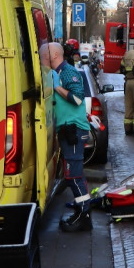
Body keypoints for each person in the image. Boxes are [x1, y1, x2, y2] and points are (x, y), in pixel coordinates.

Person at [41, 42, 93, 232]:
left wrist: (56, 88)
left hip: (74, 131)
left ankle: (84, 216)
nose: (41, 59)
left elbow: (78, 98)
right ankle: (82, 213)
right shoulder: (58, 73)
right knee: (73, 175)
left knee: (74, 175)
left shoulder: (68, 72)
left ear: (53, 55)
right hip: (67, 130)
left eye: (43, 55)